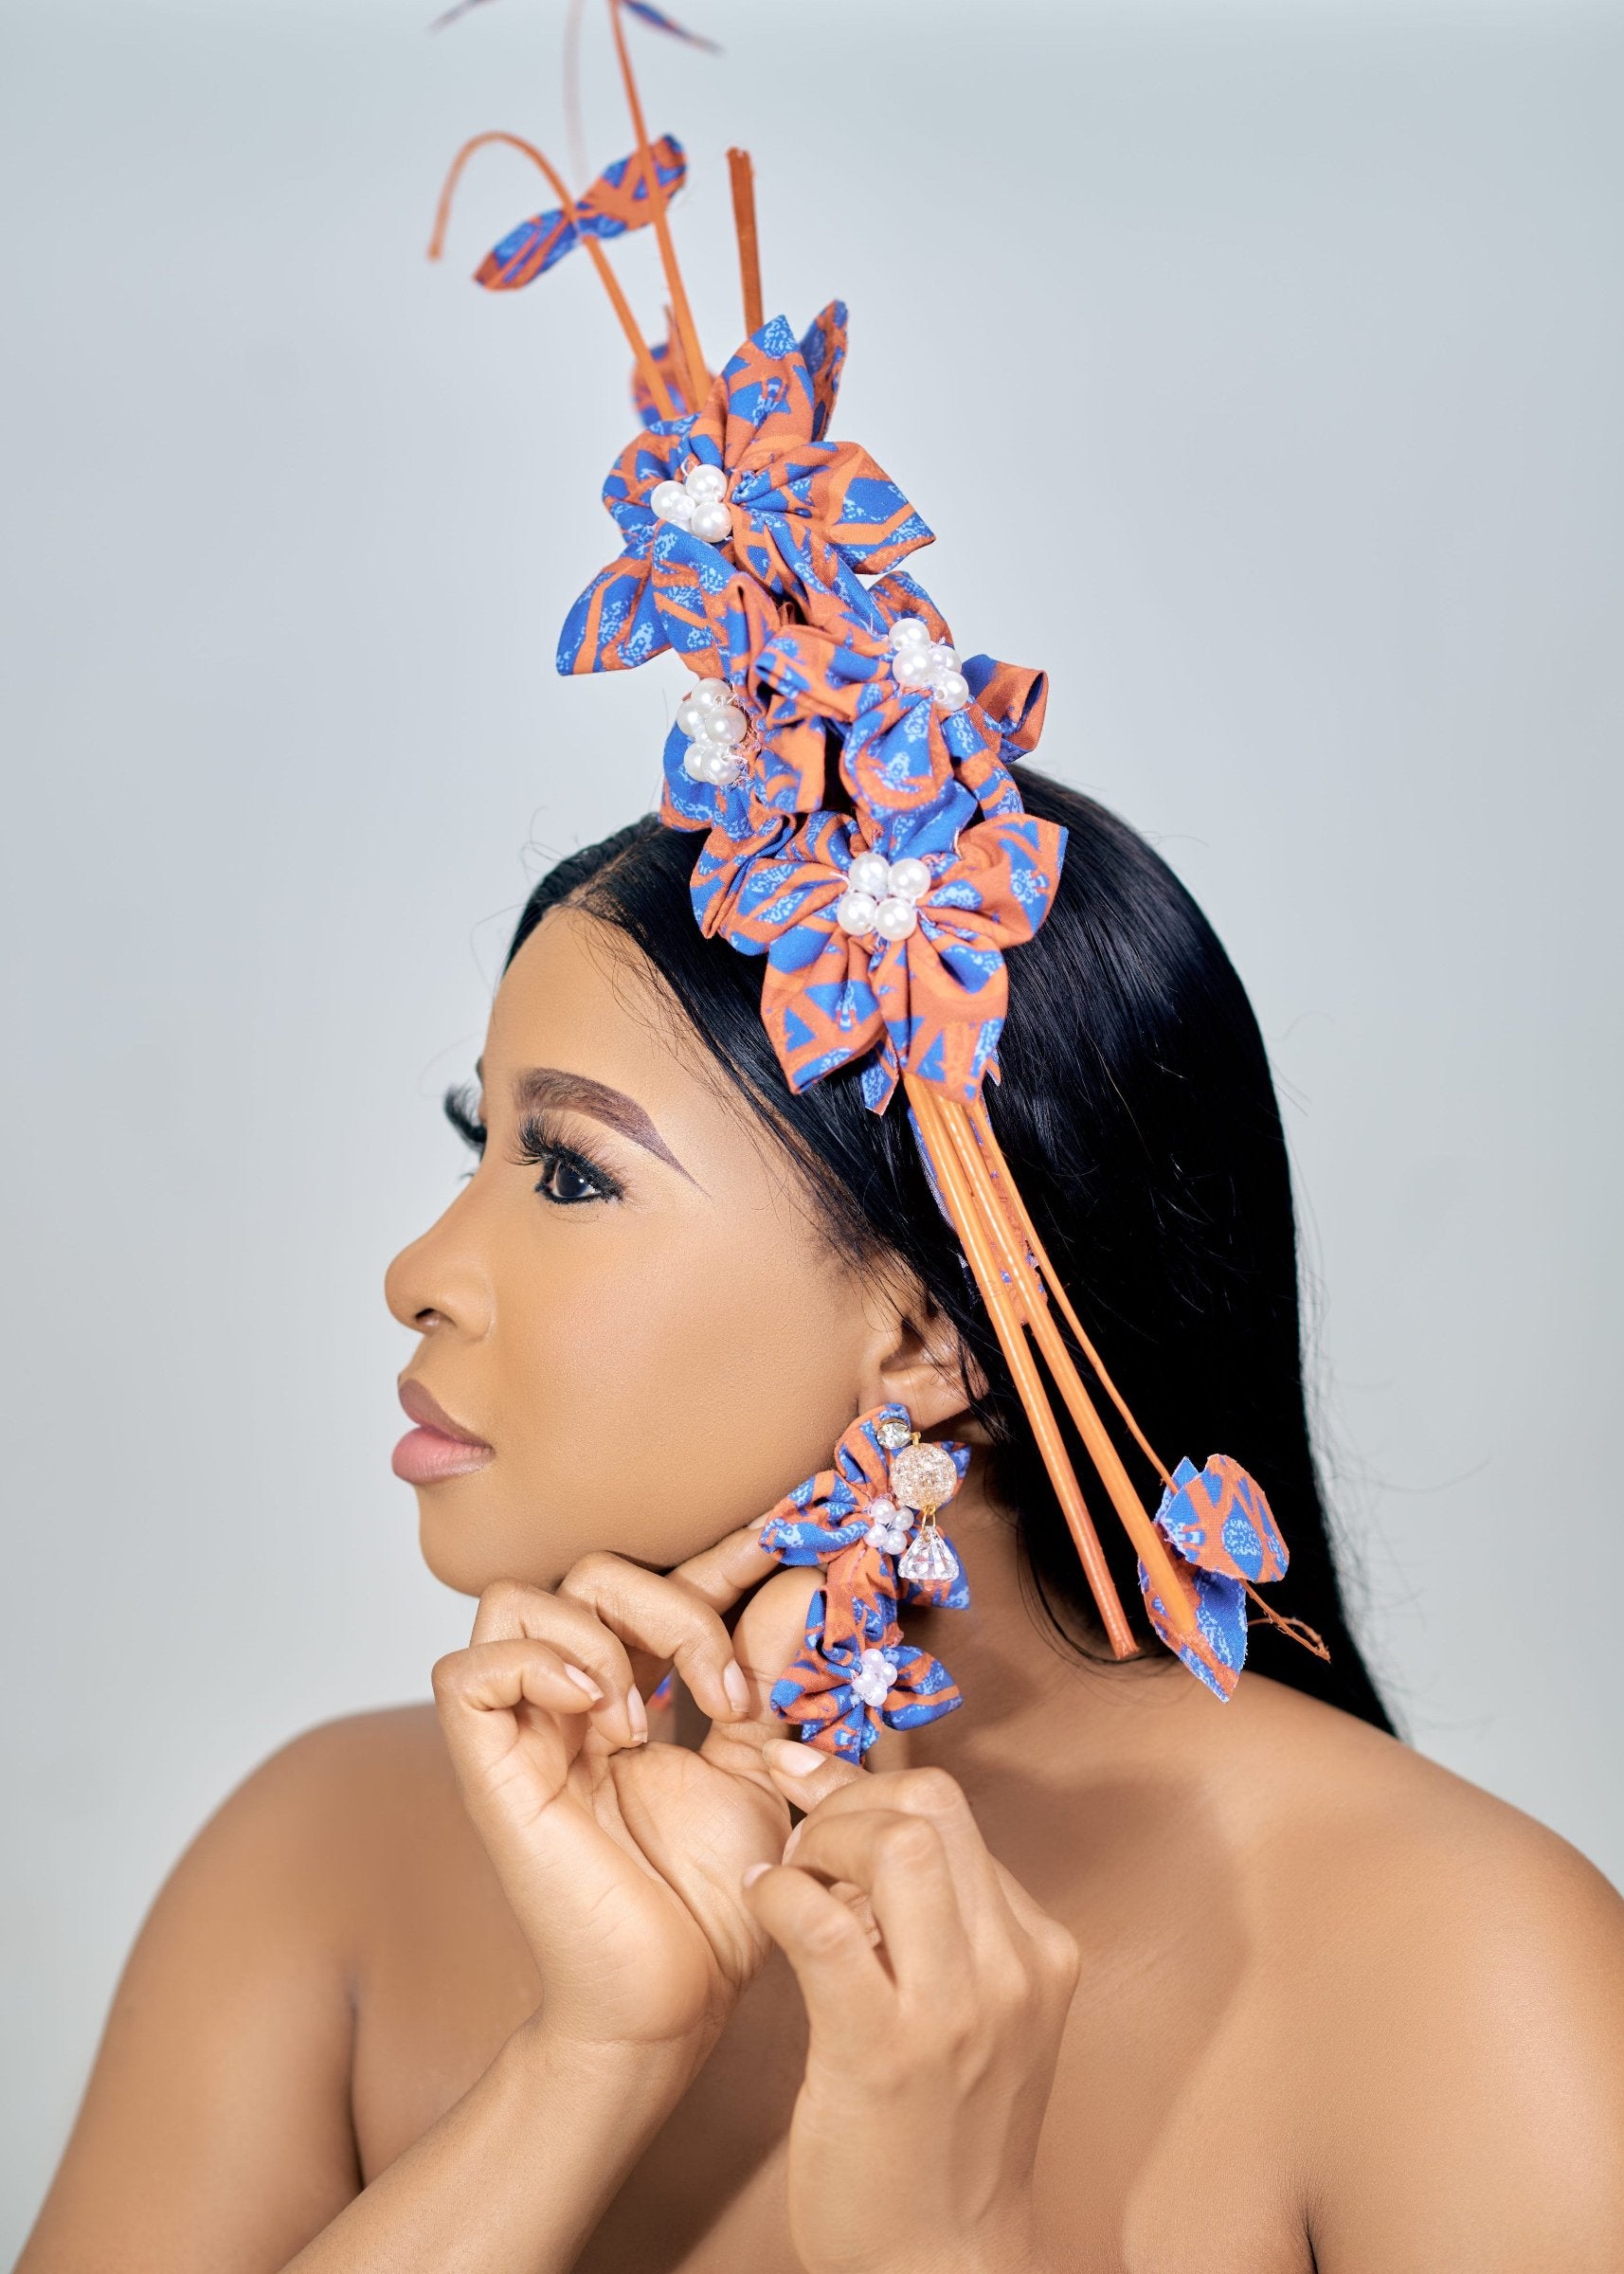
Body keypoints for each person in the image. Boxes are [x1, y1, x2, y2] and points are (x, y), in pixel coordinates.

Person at [16, 769, 1624, 2273]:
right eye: (478, 1141)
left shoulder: (1454, 1974)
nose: (417, 1271)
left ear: (934, 1333)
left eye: (568, 1173)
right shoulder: (323, 1862)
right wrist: (586, 2061)